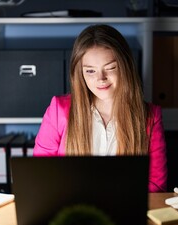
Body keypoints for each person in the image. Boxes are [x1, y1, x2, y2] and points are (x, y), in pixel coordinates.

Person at [33, 24, 167, 192]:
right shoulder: (58, 110)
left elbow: (156, 185)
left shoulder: (150, 116)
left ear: (125, 67)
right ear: (80, 73)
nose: (101, 79)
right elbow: (40, 174)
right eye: (90, 71)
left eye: (110, 68)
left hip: (125, 211)